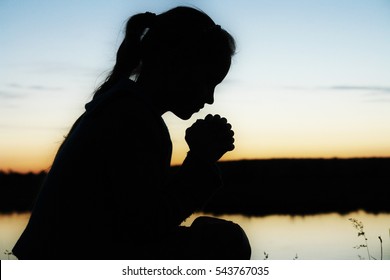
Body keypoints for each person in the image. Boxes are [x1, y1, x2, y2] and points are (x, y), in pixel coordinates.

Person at [12, 6, 251, 260]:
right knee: (226, 243)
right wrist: (201, 162)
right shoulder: (133, 119)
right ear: (175, 62)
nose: (210, 98)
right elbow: (144, 228)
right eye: (207, 81)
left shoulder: (123, 107)